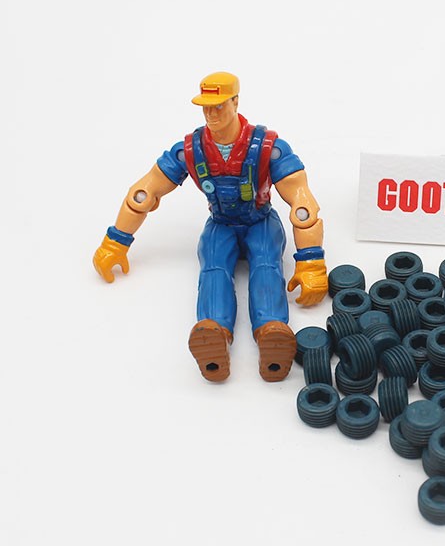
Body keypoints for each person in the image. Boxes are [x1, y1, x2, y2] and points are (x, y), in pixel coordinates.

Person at [93, 71, 328, 382]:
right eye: (206, 108)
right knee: (214, 269)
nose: (212, 114)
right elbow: (144, 193)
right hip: (221, 224)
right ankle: (214, 333)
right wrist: (116, 241)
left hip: (260, 222)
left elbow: (302, 204)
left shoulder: (269, 147)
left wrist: (311, 263)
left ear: (235, 102)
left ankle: (272, 332)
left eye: (219, 106)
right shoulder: (191, 150)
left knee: (266, 267)